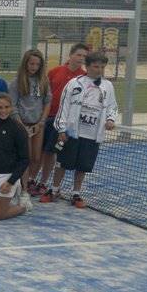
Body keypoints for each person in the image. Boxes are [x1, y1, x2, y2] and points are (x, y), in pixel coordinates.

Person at [48, 51, 117, 208]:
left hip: (92, 135)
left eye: (102, 67)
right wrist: (61, 129)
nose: (99, 70)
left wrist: (110, 119)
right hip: (72, 133)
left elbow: (112, 107)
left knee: (83, 166)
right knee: (62, 163)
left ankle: (76, 193)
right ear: (87, 66)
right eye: (96, 66)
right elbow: (64, 107)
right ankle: (54, 190)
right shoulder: (74, 83)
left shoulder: (108, 86)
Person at [39, 43, 88, 202]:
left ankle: (53, 186)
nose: (81, 58)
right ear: (71, 55)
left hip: (68, 125)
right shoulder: (55, 71)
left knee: (60, 153)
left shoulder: (85, 77)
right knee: (46, 152)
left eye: (84, 56)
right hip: (49, 120)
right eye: (78, 55)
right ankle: (41, 183)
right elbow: (43, 93)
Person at [9, 49, 51, 198]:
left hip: (38, 125)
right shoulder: (16, 82)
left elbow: (47, 102)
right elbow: (13, 105)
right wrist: (21, 125)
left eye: (37, 64)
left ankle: (30, 180)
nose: (34, 67)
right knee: (25, 157)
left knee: (36, 157)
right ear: (25, 63)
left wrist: (41, 122)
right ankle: (23, 187)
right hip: (22, 125)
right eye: (31, 63)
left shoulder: (43, 81)